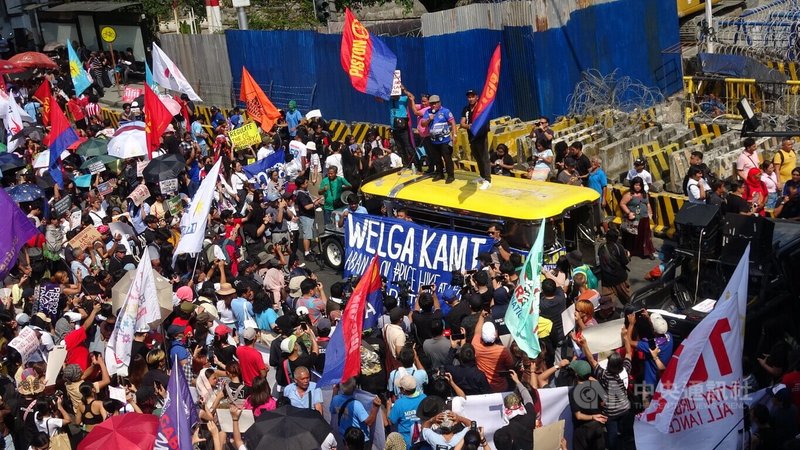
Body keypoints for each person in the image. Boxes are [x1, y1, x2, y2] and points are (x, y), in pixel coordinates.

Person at [493, 370, 537, 450]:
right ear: (520, 405)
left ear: (506, 409)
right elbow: (527, 397)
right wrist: (517, 381)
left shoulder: (504, 431)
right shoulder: (530, 417)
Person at [330, 377, 381, 445]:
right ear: (354, 388)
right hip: (359, 441)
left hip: (345, 438)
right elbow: (369, 422)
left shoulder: (335, 400)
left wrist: (335, 391)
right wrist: (375, 407)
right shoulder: (356, 405)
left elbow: (332, 410)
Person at [472, 312, 514, 392]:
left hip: (484, 387)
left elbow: (477, 332)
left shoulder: (476, 345)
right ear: (495, 335)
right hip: (501, 387)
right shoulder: (502, 351)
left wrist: (481, 317)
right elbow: (510, 365)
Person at [420, 95, 458, 184]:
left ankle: (450, 175)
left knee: (447, 158)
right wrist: (429, 119)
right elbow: (423, 124)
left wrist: (454, 135)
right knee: (436, 158)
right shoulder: (428, 112)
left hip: (445, 140)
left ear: (439, 103)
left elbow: (452, 122)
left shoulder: (445, 111)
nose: (433, 105)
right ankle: (439, 173)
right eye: (431, 104)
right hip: (434, 140)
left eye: (435, 103)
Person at [461, 89, 492, 189]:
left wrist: (475, 126)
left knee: (484, 158)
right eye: (469, 97)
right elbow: (462, 123)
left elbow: (486, 122)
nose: (470, 99)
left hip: (481, 136)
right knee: (477, 158)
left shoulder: (481, 108)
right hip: (472, 137)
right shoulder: (466, 109)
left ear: (477, 97)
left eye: (472, 96)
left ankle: (488, 180)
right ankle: (482, 176)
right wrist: (469, 126)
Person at [619, 176, 655, 259]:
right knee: (633, 236)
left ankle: (648, 252)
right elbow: (622, 204)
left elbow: (648, 203)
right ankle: (629, 252)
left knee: (645, 236)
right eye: (636, 185)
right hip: (634, 219)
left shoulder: (644, 194)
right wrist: (629, 213)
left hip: (644, 218)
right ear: (632, 185)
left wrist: (650, 212)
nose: (637, 187)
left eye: (639, 185)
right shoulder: (629, 194)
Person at [388, 375, 426, 448]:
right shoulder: (424, 397)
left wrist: (388, 408)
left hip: (406, 442)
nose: (399, 389)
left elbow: (391, 422)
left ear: (404, 390)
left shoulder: (399, 403)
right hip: (422, 439)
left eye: (400, 387)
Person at [598, 228, 632, 307]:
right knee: (629, 299)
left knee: (608, 303)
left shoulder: (601, 247)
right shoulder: (618, 247)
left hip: (606, 281)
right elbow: (625, 261)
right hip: (620, 279)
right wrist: (628, 256)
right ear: (616, 238)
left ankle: (609, 316)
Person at [390, 92, 415, 168]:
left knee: (408, 146)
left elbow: (412, 96)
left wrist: (403, 89)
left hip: (403, 127)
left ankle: (417, 164)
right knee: (400, 148)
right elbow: (379, 99)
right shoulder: (390, 100)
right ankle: (406, 164)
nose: (394, 96)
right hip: (394, 128)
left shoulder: (403, 98)